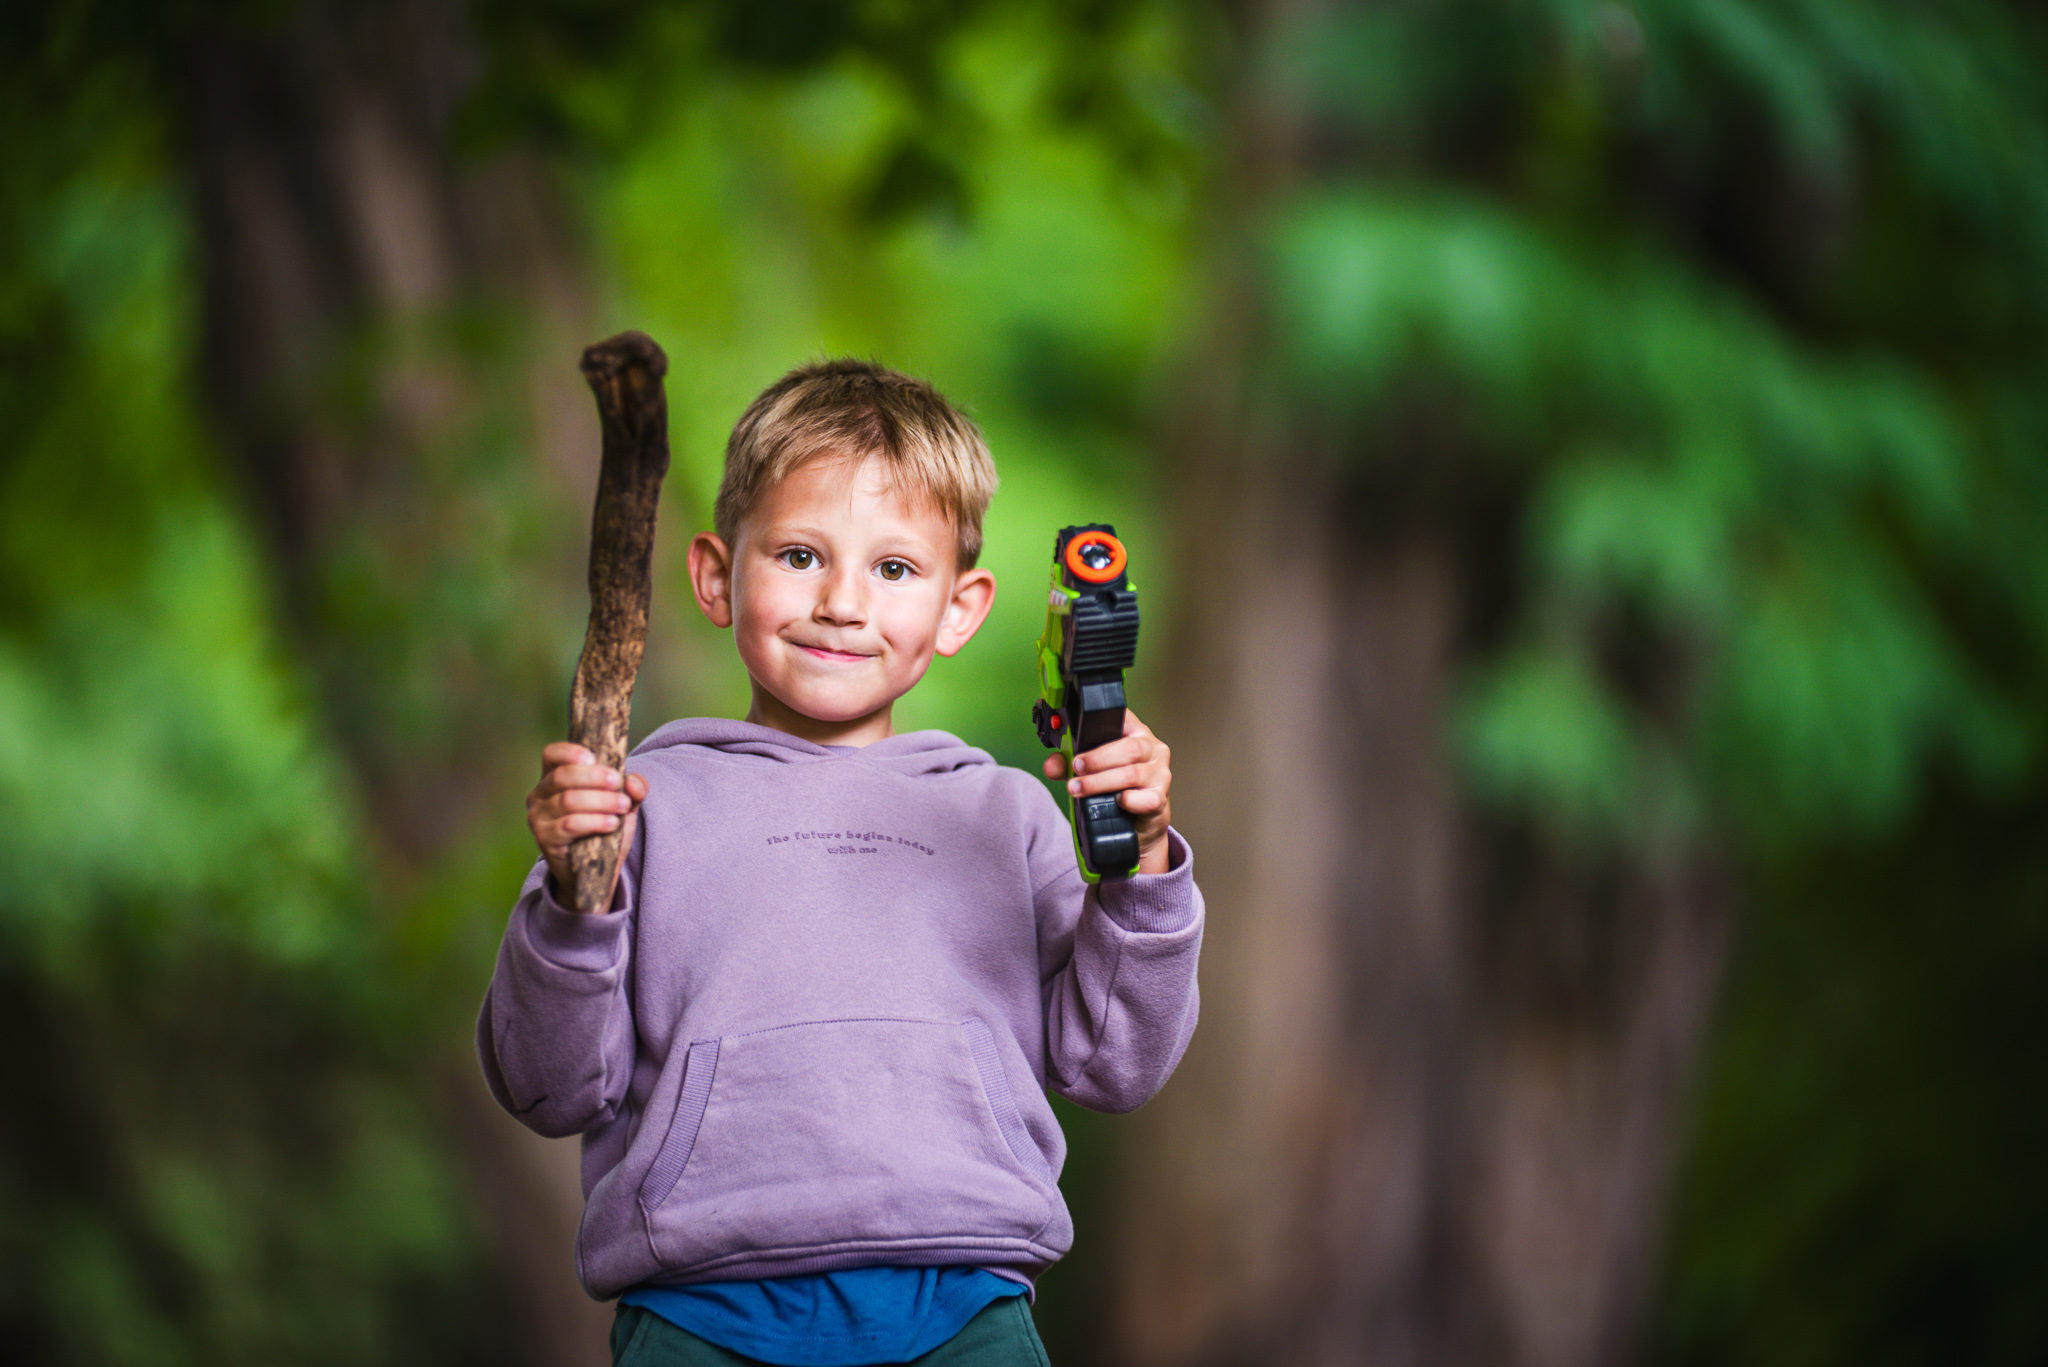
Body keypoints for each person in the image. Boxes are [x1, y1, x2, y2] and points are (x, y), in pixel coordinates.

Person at [478, 359, 1203, 1366]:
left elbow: (1114, 1061)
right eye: (799, 554)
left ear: (961, 606)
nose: (841, 603)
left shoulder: (1005, 815)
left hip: (967, 1300)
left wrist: (1144, 862)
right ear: (713, 572)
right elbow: (543, 1084)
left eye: (894, 568)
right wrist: (571, 898)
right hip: (697, 1308)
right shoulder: (634, 805)